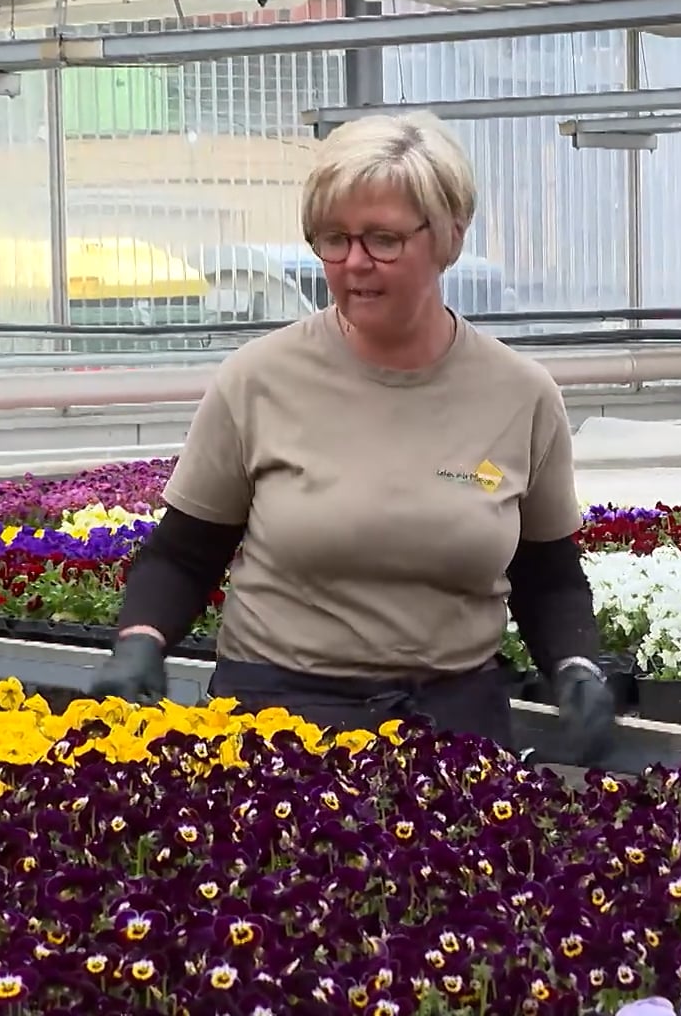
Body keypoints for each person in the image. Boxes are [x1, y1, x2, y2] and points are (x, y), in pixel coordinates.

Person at [84, 111, 616, 763]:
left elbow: (547, 574)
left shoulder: (519, 395)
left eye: (383, 240)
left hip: (451, 732)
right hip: (280, 729)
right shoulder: (260, 379)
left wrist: (576, 668)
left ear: (450, 235)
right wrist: (140, 639)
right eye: (334, 239)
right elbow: (184, 553)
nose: (354, 263)